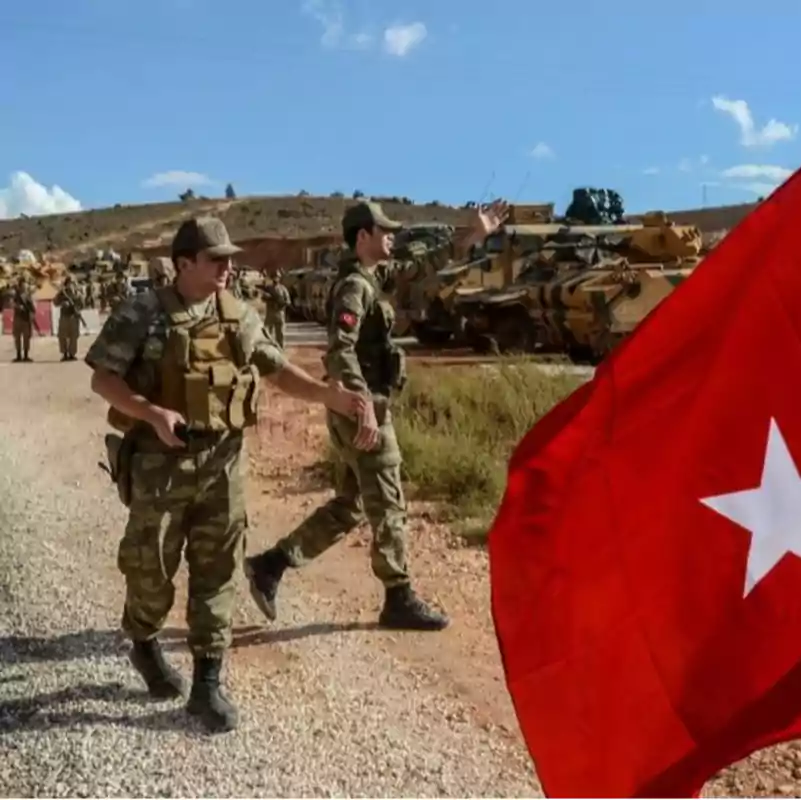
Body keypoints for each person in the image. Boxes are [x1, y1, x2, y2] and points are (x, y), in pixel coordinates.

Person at [84, 215, 370, 733]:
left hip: (224, 464)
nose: (228, 267)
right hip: (159, 467)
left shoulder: (240, 315)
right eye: (217, 259)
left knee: (217, 571)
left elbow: (276, 368)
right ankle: (144, 641)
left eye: (230, 258)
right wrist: (151, 412)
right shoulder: (142, 313)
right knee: (150, 575)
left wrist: (331, 395)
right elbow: (103, 379)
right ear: (184, 263)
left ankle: (207, 684)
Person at [243, 199, 509, 631]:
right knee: (388, 501)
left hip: (357, 408)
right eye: (383, 230)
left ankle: (271, 565)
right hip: (361, 410)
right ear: (362, 237)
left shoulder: (371, 276)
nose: (391, 236)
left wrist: (471, 235)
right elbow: (339, 349)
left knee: (351, 504)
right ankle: (398, 596)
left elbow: (417, 267)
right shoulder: (354, 287)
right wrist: (364, 407)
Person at [53, 274, 85, 360]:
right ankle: (65, 353)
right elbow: (55, 302)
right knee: (62, 336)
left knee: (74, 336)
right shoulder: (62, 293)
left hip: (74, 317)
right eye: (69, 283)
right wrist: (63, 303)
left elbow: (82, 304)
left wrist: (77, 308)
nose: (71, 285)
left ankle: (72, 354)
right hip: (64, 316)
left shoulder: (77, 294)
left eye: (73, 283)